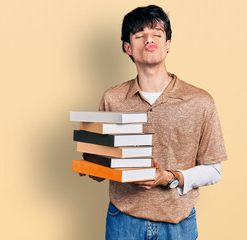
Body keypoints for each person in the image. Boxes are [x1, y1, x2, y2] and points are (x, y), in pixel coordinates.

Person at [81, 5, 228, 240]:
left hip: (178, 223)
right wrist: (92, 164)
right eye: (139, 35)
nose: (149, 39)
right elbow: (99, 167)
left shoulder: (200, 101)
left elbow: (213, 170)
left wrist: (169, 177)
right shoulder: (112, 98)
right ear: (128, 47)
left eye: (157, 34)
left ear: (168, 44)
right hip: (123, 220)